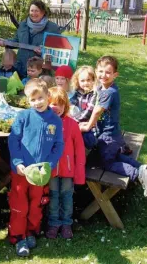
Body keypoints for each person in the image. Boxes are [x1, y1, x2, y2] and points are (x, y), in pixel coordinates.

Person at [80, 56, 147, 197]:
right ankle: (141, 167)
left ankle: (137, 174)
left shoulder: (109, 92)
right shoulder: (105, 86)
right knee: (114, 155)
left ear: (115, 75)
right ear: (96, 71)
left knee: (108, 163)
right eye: (100, 71)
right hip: (112, 133)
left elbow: (97, 111)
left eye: (108, 72)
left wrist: (88, 126)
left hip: (108, 136)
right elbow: (96, 89)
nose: (103, 75)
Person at [8, 79, 64, 257]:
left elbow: (58, 145)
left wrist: (50, 164)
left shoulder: (55, 120)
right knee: (20, 205)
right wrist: (17, 162)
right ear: (27, 101)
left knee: (36, 205)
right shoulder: (24, 117)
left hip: (41, 174)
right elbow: (13, 140)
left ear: (48, 96)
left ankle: (32, 232)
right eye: (33, 100)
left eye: (40, 98)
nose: (37, 102)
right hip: (22, 172)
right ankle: (18, 237)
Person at [47, 87, 85, 239]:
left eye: (60, 104)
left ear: (66, 106)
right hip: (51, 170)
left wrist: (79, 173)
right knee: (53, 197)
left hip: (68, 170)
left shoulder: (72, 124)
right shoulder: (45, 123)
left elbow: (80, 150)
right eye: (52, 104)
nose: (56, 107)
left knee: (67, 197)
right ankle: (53, 223)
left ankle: (66, 223)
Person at [0, 0, 62, 78]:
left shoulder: (53, 28)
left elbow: (58, 50)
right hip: (21, 67)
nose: (33, 13)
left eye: (36, 11)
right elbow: (16, 41)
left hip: (40, 70)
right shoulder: (23, 25)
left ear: (43, 12)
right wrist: (5, 42)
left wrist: (44, 51)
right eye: (32, 11)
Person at [70, 66, 97, 150]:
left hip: (88, 125)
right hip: (76, 122)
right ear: (78, 81)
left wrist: (74, 122)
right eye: (82, 80)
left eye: (88, 80)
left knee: (89, 142)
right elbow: (71, 106)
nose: (85, 83)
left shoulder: (94, 94)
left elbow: (89, 111)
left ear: (93, 80)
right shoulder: (77, 92)